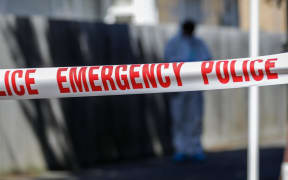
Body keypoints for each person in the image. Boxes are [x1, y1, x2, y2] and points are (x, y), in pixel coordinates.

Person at [164, 20, 212, 162]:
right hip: (178, 87)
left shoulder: (199, 43)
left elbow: (208, 59)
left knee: (195, 118)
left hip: (195, 86)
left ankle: (195, 148)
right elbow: (167, 60)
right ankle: (180, 149)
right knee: (179, 119)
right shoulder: (174, 43)